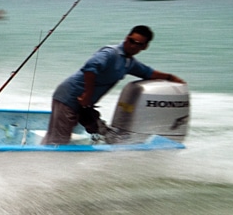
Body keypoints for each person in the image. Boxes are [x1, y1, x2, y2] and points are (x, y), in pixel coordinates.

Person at [41, 25, 185, 145]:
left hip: (84, 104)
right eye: (131, 40)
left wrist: (170, 77)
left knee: (100, 129)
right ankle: (47, 162)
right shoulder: (111, 53)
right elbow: (90, 68)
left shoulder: (128, 62)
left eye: (138, 44)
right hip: (69, 97)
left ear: (145, 47)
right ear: (126, 38)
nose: (133, 45)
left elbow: (148, 73)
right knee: (58, 139)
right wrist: (87, 95)